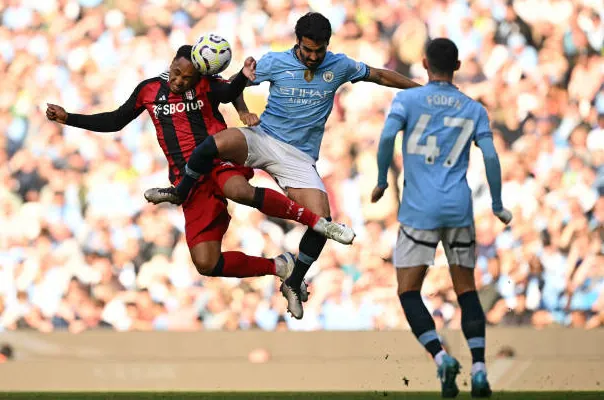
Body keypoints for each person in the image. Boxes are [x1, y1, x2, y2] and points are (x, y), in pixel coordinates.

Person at [145, 12, 421, 319]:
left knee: (322, 219)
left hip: (299, 157)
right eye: (307, 50)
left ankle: (294, 279)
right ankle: (181, 190)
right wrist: (245, 112)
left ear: (327, 45)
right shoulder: (274, 62)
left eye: (319, 51)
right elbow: (236, 87)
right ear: (298, 43)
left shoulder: (340, 65)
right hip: (263, 136)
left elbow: (379, 75)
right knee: (216, 143)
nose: (313, 57)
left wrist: (419, 89)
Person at [45, 45, 345, 295]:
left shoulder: (206, 85)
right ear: (171, 65)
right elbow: (114, 120)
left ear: (198, 75)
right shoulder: (148, 90)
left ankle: (316, 221)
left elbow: (229, 93)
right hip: (186, 179)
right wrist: (68, 118)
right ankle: (280, 266)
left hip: (217, 160)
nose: (179, 81)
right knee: (206, 263)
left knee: (237, 189)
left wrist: (242, 77)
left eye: (186, 78)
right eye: (176, 73)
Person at [371, 38, 512, 398]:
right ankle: (479, 369)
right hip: (459, 208)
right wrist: (496, 203)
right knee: (466, 290)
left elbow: (387, 136)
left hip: (419, 210)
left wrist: (381, 179)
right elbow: (492, 157)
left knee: (408, 290)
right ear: (458, 65)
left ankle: (440, 358)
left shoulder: (407, 99)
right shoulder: (473, 108)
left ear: (423, 63)